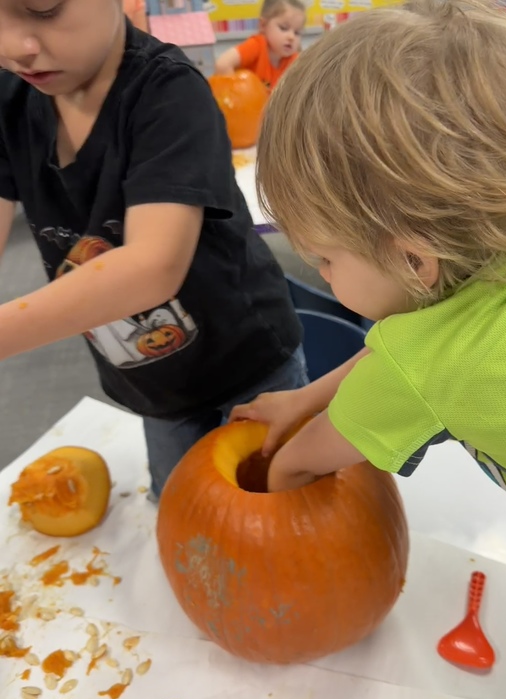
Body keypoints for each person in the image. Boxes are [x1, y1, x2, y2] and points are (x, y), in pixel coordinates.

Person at [231, 0, 506, 543]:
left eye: (326, 260)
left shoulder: (435, 369)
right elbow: (412, 350)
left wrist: (262, 535)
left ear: (414, 260)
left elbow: (297, 465)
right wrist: (305, 398)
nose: (323, 273)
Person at [0, 0, 306, 499]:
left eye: (44, 7)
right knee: (180, 508)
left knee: (277, 511)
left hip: (246, 362)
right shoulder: (9, 102)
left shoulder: (169, 93)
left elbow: (151, 268)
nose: (14, 47)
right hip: (152, 385)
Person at [214, 0, 305, 91]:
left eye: (297, 33)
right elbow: (223, 64)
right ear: (263, 25)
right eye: (283, 28)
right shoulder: (257, 45)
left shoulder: (295, 60)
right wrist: (236, 94)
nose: (291, 37)